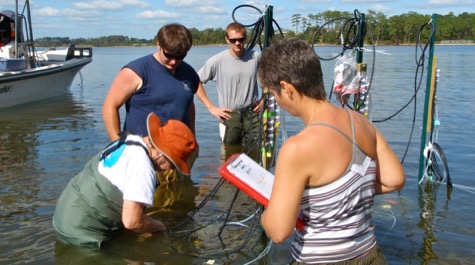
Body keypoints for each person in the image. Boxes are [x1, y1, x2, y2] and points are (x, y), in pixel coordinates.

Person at [258, 38, 405, 264]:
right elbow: (395, 179)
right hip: (370, 255)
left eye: (274, 94)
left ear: (287, 88)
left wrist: (267, 214)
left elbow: (278, 232)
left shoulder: (297, 148)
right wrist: (345, 194)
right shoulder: (361, 122)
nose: (276, 100)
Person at [52, 113, 198, 249]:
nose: (170, 170)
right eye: (172, 163)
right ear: (160, 153)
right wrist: (159, 226)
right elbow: (132, 221)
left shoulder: (131, 141)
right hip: (82, 231)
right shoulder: (142, 166)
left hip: (64, 214)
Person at [102, 23, 199, 142]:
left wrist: (192, 137)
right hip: (140, 150)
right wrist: (117, 145)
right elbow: (110, 106)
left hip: (178, 150)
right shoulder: (135, 71)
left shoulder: (188, 72)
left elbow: (188, 104)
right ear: (159, 44)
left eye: (180, 56)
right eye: (169, 55)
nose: (174, 62)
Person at [196, 22, 262, 148]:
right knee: (229, 154)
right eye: (233, 40)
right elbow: (195, 82)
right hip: (229, 115)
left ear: (245, 38)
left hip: (252, 114)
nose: (237, 43)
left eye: (241, 39)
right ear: (227, 39)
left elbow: (272, 76)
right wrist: (211, 108)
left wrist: (265, 98)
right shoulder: (216, 61)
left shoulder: (256, 57)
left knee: (256, 152)